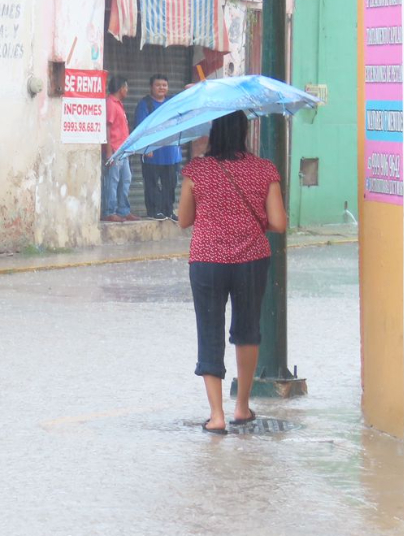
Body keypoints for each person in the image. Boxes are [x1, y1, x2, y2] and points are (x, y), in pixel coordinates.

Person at [178, 110, 288, 434]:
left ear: (214, 131)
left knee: (209, 333)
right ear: (243, 131)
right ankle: (241, 407)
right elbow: (279, 223)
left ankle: (216, 416)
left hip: (207, 262)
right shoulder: (264, 169)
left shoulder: (197, 169)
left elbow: (184, 220)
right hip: (251, 261)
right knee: (247, 330)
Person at [134, 74, 180, 220]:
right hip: (153, 152)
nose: (161, 88)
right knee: (152, 183)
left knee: (170, 184)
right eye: (158, 85)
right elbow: (140, 128)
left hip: (171, 152)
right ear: (151, 87)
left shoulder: (172, 102)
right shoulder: (145, 104)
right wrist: (146, 148)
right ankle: (154, 211)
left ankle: (168, 210)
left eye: (164, 85)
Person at [101, 75, 135, 222]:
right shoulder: (110, 103)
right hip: (114, 150)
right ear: (121, 88)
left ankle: (123, 210)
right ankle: (110, 211)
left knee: (126, 179)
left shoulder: (118, 104)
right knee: (113, 181)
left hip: (122, 150)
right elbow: (107, 127)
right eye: (126, 87)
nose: (127, 90)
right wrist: (108, 152)